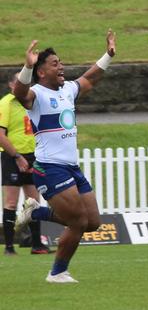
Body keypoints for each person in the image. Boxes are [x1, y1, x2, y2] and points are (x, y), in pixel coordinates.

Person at [12, 29, 116, 283]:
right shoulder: (36, 94)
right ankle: (57, 273)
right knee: (77, 221)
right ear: (41, 71)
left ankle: (36, 213)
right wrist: (27, 67)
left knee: (92, 222)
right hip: (49, 167)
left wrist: (108, 55)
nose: (62, 67)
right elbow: (19, 93)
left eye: (61, 63)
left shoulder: (68, 89)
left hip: (72, 167)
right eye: (55, 64)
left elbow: (91, 78)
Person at [1, 73, 52, 255]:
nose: (22, 85)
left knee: (33, 201)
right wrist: (17, 156)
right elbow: (1, 136)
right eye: (18, 82)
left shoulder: (30, 101)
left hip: (32, 156)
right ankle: (8, 247)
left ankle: (37, 243)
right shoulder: (6, 103)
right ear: (10, 84)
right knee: (11, 202)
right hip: (12, 156)